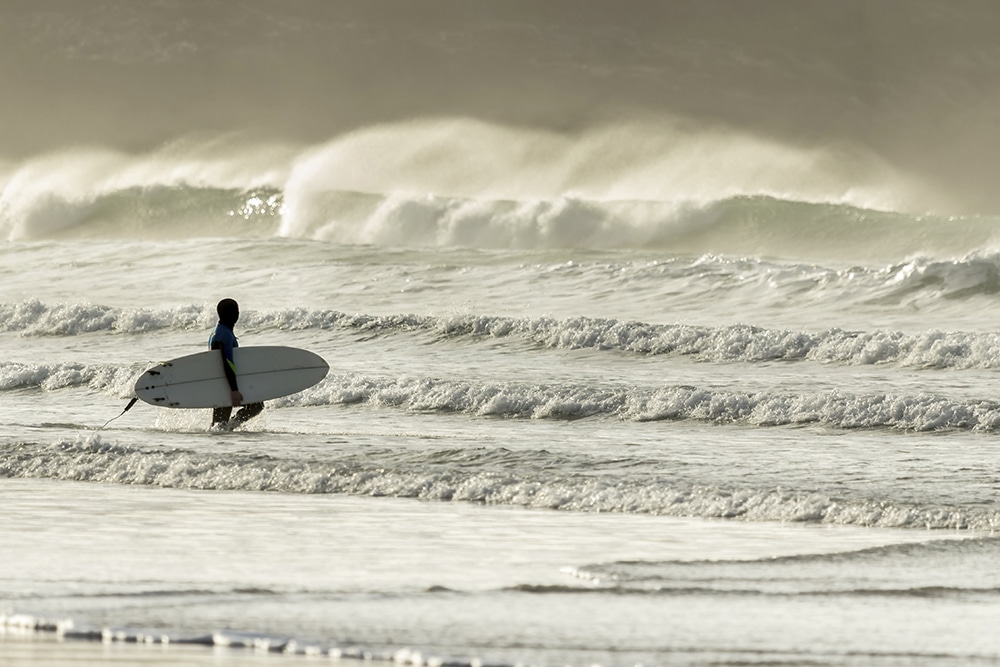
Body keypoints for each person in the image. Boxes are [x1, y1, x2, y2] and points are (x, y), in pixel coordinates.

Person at [208, 298, 263, 429]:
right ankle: (231, 427)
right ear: (235, 315)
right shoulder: (224, 335)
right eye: (235, 311)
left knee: (219, 425)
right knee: (256, 405)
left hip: (220, 381)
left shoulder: (219, 331)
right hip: (225, 383)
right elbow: (227, 362)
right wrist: (234, 390)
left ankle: (228, 428)